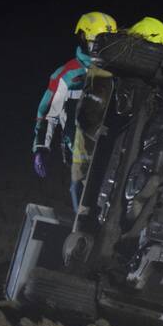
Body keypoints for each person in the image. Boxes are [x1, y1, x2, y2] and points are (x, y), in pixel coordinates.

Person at [33, 11, 118, 212]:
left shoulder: (118, 72)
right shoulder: (67, 75)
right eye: (99, 41)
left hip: (113, 150)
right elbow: (48, 113)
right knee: (84, 203)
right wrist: (41, 147)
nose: (103, 47)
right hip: (80, 153)